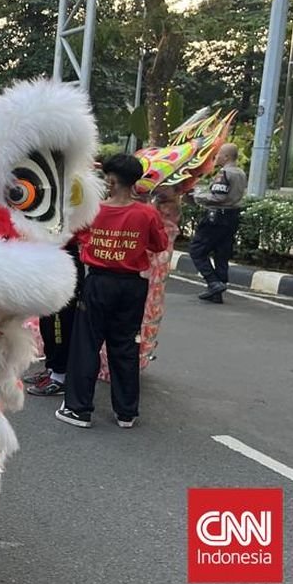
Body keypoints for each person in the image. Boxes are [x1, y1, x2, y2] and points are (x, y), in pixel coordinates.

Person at [57, 153, 169, 430]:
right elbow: (159, 245)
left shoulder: (93, 210)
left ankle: (78, 409)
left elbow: (73, 236)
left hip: (99, 283)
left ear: (111, 179)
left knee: (86, 345)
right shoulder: (147, 213)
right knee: (126, 345)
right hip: (132, 286)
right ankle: (126, 412)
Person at [26, 232, 87, 396]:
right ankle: (52, 368)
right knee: (47, 322)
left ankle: (60, 377)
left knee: (59, 323)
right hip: (48, 256)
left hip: (64, 257)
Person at [188, 143, 247, 304]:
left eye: (219, 154)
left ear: (227, 156)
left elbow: (218, 197)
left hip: (216, 217)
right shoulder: (241, 172)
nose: (217, 157)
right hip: (232, 217)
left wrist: (197, 196)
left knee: (197, 250)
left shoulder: (225, 173)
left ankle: (213, 282)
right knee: (222, 253)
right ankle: (217, 290)